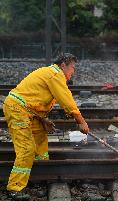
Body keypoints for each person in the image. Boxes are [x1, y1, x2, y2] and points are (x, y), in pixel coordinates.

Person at [3, 53, 90, 200]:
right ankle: (14, 188)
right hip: (18, 109)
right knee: (27, 148)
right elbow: (66, 99)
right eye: (72, 68)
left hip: (30, 111)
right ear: (63, 65)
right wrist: (80, 120)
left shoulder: (51, 74)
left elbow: (35, 99)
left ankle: (40, 178)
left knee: (40, 143)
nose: (73, 72)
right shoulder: (55, 74)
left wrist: (43, 120)